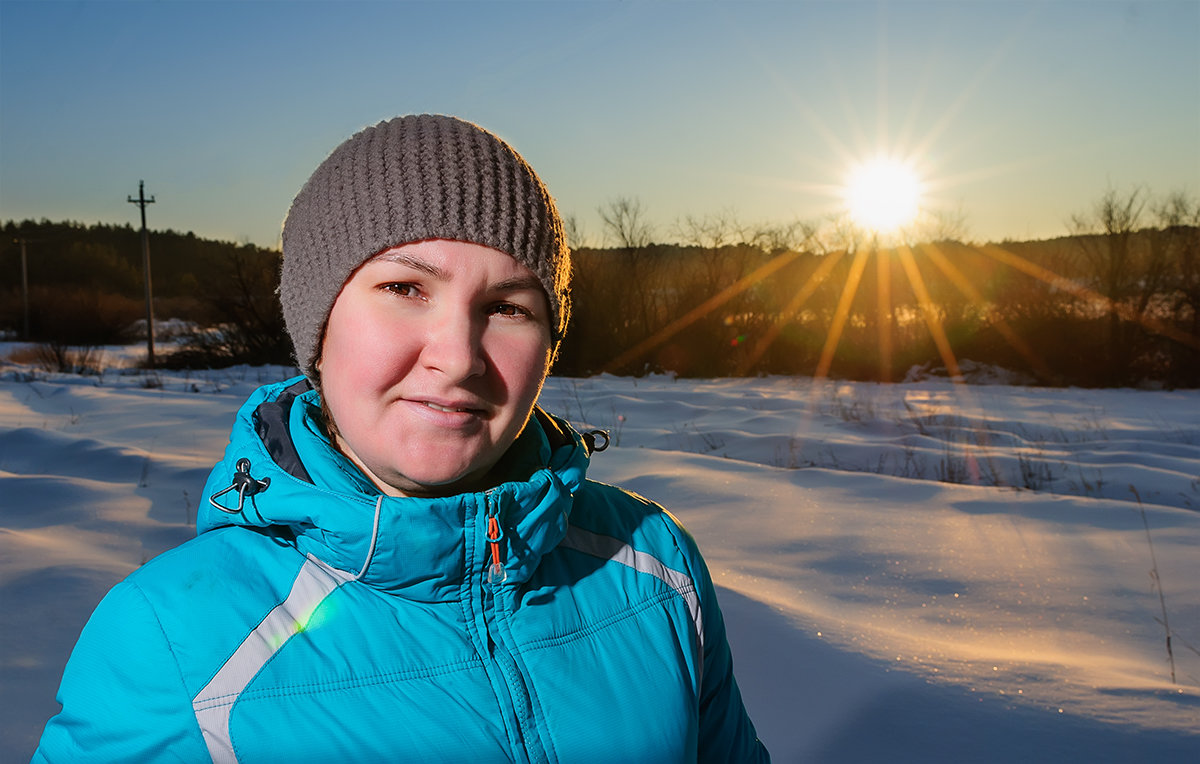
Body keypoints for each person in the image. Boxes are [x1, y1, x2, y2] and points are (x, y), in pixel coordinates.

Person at [34, 114, 769, 763]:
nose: (458, 356)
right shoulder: (173, 639)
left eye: (508, 306)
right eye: (405, 289)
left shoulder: (652, 561)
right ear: (318, 332)